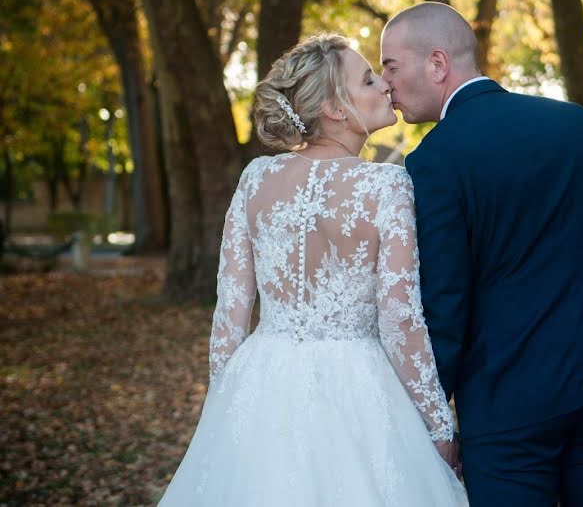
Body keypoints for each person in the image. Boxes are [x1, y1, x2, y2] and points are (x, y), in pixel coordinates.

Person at [380, 2, 583, 506]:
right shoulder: (576, 125)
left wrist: (433, 413)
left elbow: (445, 302)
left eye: (391, 66)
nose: (386, 85)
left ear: (437, 63)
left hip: (508, 403)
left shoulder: (434, 160)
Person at [159, 34, 467, 506]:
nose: (386, 85)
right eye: (368, 79)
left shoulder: (256, 178)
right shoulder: (387, 184)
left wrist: (225, 404)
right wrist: (438, 423)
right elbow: (400, 318)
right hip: (361, 390)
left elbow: (230, 315)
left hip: (261, 383)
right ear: (335, 109)